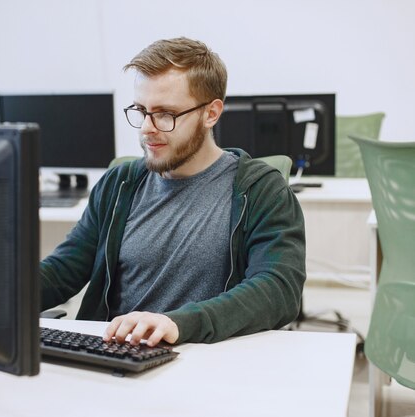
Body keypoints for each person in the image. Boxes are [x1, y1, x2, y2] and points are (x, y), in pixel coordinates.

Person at [40, 37, 305, 346]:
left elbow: (278, 290)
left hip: (210, 362)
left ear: (211, 113)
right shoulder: (119, 184)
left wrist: (178, 324)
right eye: (141, 110)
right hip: (118, 358)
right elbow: (64, 270)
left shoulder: (260, 190)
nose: (146, 128)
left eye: (165, 114)